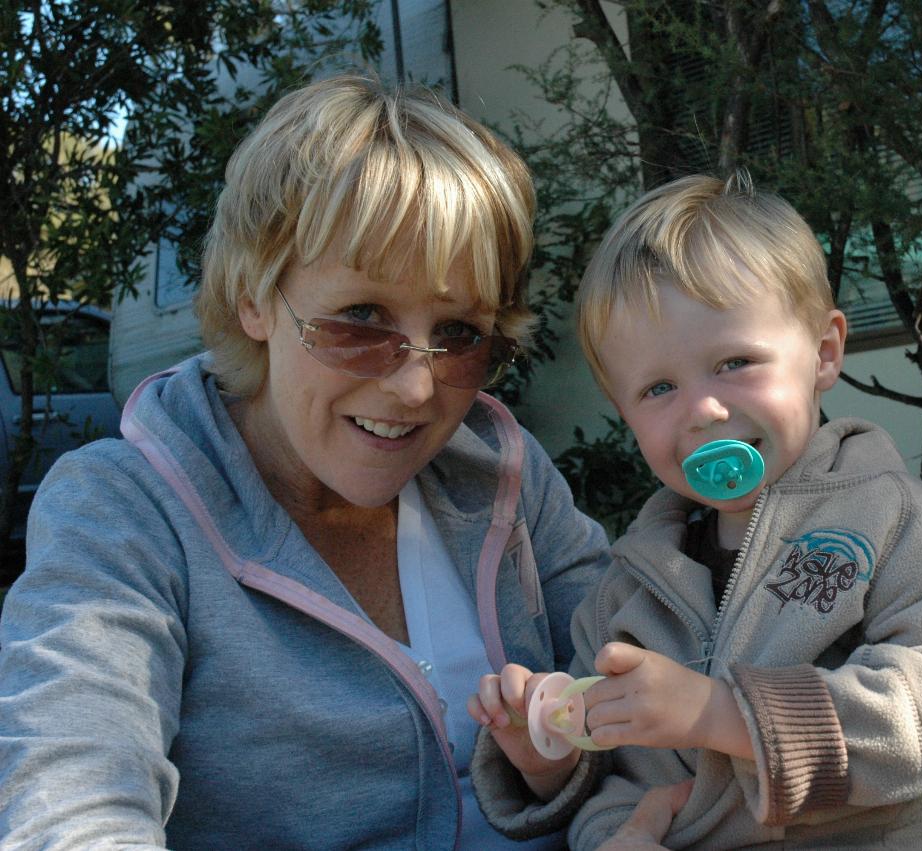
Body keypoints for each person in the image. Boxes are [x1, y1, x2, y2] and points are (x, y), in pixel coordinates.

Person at [0, 74, 624, 849]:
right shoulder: (124, 512)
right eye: (362, 317)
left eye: (460, 331)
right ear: (251, 298)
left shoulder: (503, 473)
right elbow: (71, 801)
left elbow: (639, 683)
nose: (414, 385)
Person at [468, 174, 922, 849]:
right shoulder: (630, 584)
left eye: (734, 362)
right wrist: (554, 756)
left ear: (824, 352)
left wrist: (722, 714)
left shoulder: (897, 523)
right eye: (660, 387)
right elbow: (623, 779)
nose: (703, 409)